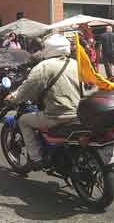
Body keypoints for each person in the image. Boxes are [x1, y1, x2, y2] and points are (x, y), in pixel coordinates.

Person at [5, 34, 80, 168]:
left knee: (23, 121)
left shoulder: (44, 66)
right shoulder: (76, 63)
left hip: (58, 116)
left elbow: (28, 88)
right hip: (80, 114)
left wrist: (13, 98)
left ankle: (36, 158)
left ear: (48, 49)